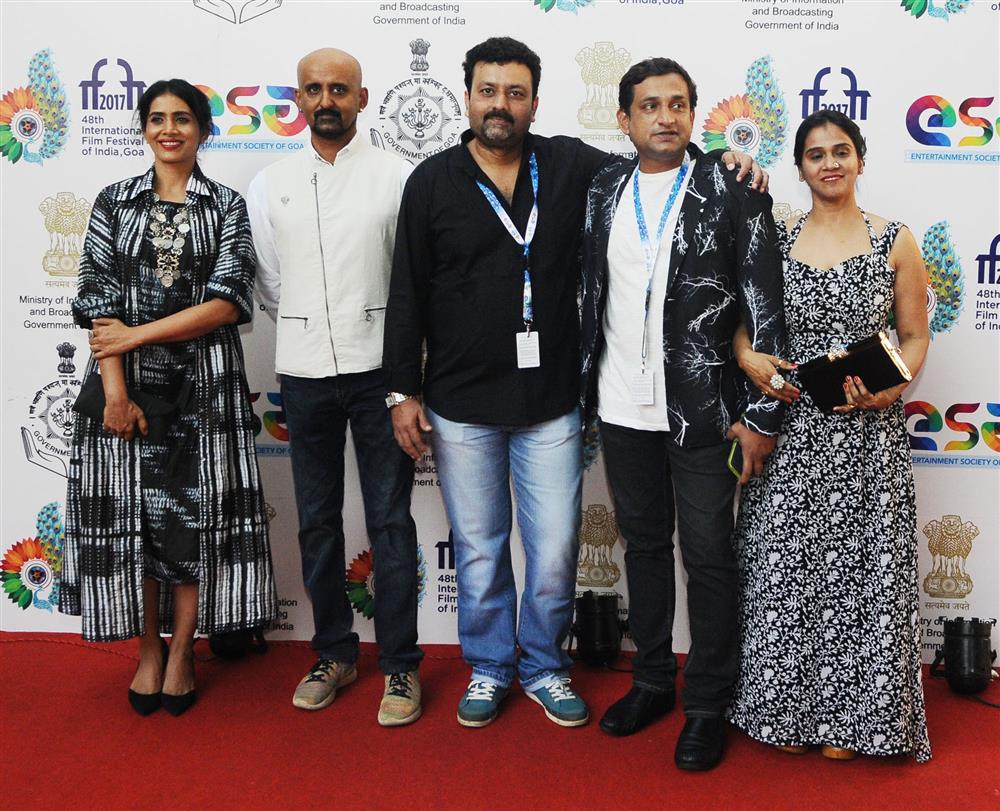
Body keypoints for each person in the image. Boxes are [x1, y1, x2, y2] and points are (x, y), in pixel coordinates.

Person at [385, 38, 761, 729]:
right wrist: (401, 390)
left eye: (516, 92)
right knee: (478, 548)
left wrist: (728, 163)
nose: (502, 104)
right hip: (461, 401)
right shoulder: (431, 181)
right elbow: (406, 292)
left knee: (556, 550)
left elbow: (663, 163)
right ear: (467, 96)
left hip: (553, 400)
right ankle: (492, 665)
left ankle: (545, 665)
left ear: (535, 101)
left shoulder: (571, 166)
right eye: (489, 90)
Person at [579, 58, 786, 770]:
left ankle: (707, 703)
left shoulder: (733, 185)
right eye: (649, 105)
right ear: (625, 118)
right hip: (617, 403)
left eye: (677, 104)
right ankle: (653, 681)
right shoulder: (604, 186)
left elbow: (765, 305)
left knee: (708, 556)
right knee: (642, 545)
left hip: (703, 410)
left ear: (694, 114)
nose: (664, 116)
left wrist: (761, 413)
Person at [61, 78, 276, 716]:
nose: (169, 129)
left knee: (192, 524)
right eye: (156, 118)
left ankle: (183, 651)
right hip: (123, 387)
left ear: (204, 129)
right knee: (137, 524)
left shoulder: (226, 206)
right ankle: (147, 651)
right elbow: (98, 304)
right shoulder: (113, 201)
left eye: (183, 118)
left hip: (205, 392)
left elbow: (227, 301)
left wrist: (139, 330)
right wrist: (117, 394)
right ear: (143, 128)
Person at [727, 109, 931, 762]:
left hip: (869, 439)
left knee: (863, 580)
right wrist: (747, 358)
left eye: (841, 150)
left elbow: (916, 335)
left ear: (861, 159)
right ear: (802, 167)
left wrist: (894, 385)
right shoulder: (776, 234)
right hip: (788, 432)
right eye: (816, 154)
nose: (830, 163)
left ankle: (854, 723)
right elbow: (741, 321)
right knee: (783, 574)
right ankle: (784, 712)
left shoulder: (894, 240)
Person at [246, 48, 423, 726]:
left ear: (362, 97)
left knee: (390, 521)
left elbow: (412, 282)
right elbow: (266, 276)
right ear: (299, 97)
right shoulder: (272, 183)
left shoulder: (399, 177)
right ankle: (334, 652)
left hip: (380, 374)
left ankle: (402, 666)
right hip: (303, 372)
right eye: (315, 88)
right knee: (318, 522)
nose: (327, 99)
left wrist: (408, 377)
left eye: (339, 89)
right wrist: (302, 325)